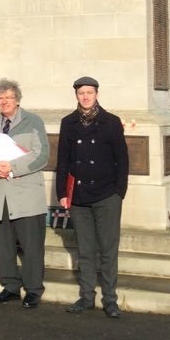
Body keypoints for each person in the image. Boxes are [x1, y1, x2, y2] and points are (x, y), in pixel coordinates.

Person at [55, 76, 129, 318]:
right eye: (81, 93)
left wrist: (119, 192)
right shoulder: (68, 123)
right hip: (80, 196)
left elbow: (122, 159)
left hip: (107, 195)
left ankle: (110, 300)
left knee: (108, 250)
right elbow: (63, 160)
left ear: (97, 94)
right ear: (76, 95)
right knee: (86, 250)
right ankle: (87, 297)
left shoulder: (111, 122)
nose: (85, 97)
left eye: (89, 92)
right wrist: (62, 193)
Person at [0, 78, 49, 309]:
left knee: (31, 245)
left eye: (8, 98)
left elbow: (41, 155)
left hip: (26, 195)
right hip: (0, 196)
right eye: (0, 99)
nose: (4, 102)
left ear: (17, 100)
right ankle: (9, 286)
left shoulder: (33, 121)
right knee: (5, 245)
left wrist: (11, 166)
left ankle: (33, 289)